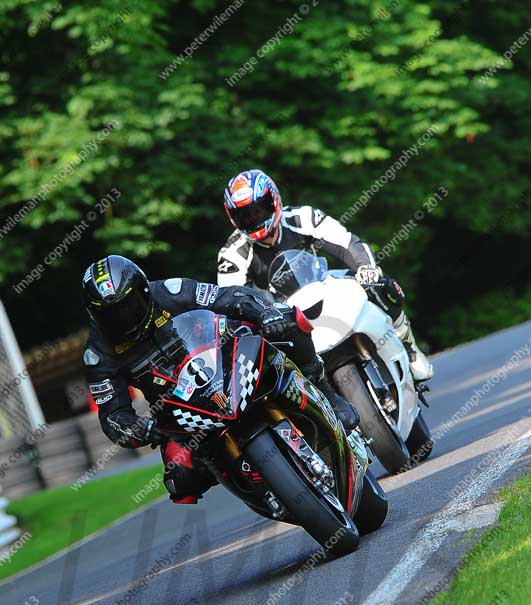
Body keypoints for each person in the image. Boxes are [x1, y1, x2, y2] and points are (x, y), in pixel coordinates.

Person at [82, 255, 359, 504]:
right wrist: (139, 429)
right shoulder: (98, 355)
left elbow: (228, 296)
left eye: (129, 306)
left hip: (226, 360)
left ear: (144, 290)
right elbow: (112, 415)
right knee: (181, 480)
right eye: (111, 315)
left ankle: (326, 393)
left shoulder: (169, 291)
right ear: (95, 316)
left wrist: (264, 313)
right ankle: (252, 481)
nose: (124, 318)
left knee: (287, 322)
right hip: (178, 409)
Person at [217, 168, 433, 382]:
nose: (254, 219)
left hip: (320, 284)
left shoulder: (301, 217)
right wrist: (262, 317)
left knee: (382, 286)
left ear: (274, 201)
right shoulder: (231, 254)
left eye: (259, 210)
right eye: (245, 216)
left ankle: (409, 347)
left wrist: (366, 267)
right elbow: (233, 301)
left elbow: (346, 242)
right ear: (233, 219)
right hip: (279, 313)